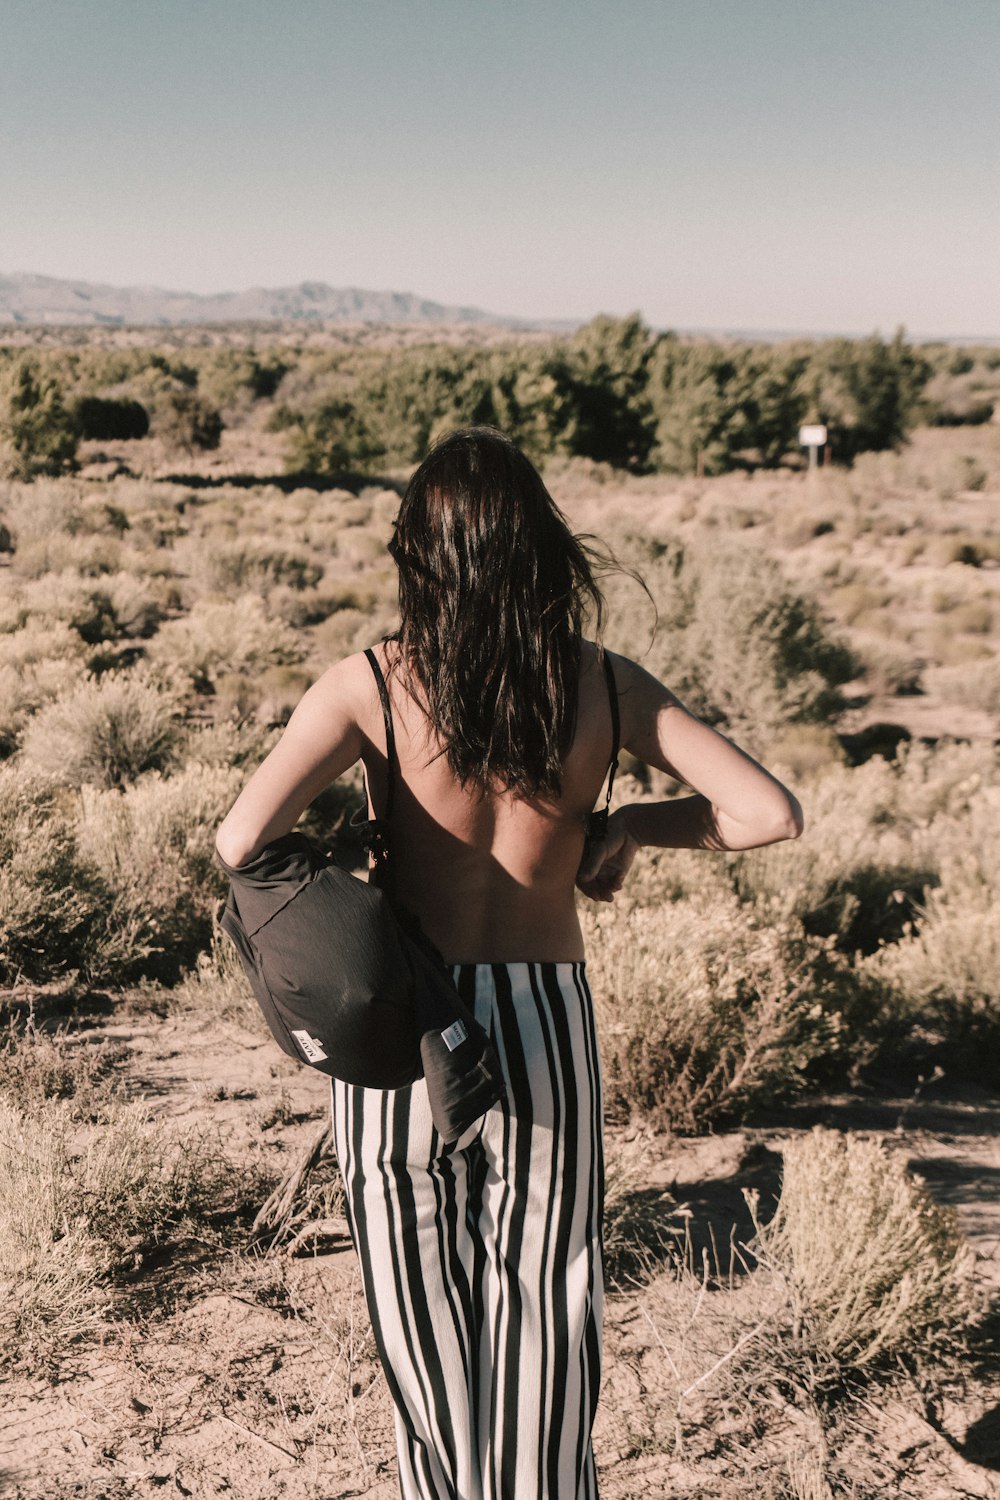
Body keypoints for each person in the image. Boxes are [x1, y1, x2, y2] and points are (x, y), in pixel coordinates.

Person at [214, 425, 804, 1500]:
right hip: (544, 1016)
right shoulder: (601, 683)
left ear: (416, 556)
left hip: (402, 1019)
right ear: (538, 546)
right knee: (547, 1293)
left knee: (414, 1297)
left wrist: (354, 892)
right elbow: (766, 813)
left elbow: (239, 842)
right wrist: (626, 830)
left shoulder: (369, 683)